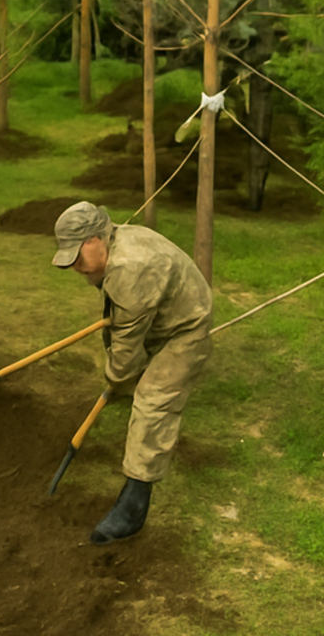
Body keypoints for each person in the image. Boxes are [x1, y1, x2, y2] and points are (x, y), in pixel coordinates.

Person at [50, 200, 213, 544]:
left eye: (77, 256)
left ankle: (133, 505)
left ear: (95, 239)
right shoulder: (116, 242)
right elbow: (124, 333)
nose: (76, 267)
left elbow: (124, 357)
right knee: (136, 381)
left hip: (186, 328)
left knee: (153, 400)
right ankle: (144, 434)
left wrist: (116, 380)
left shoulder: (130, 269)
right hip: (160, 317)